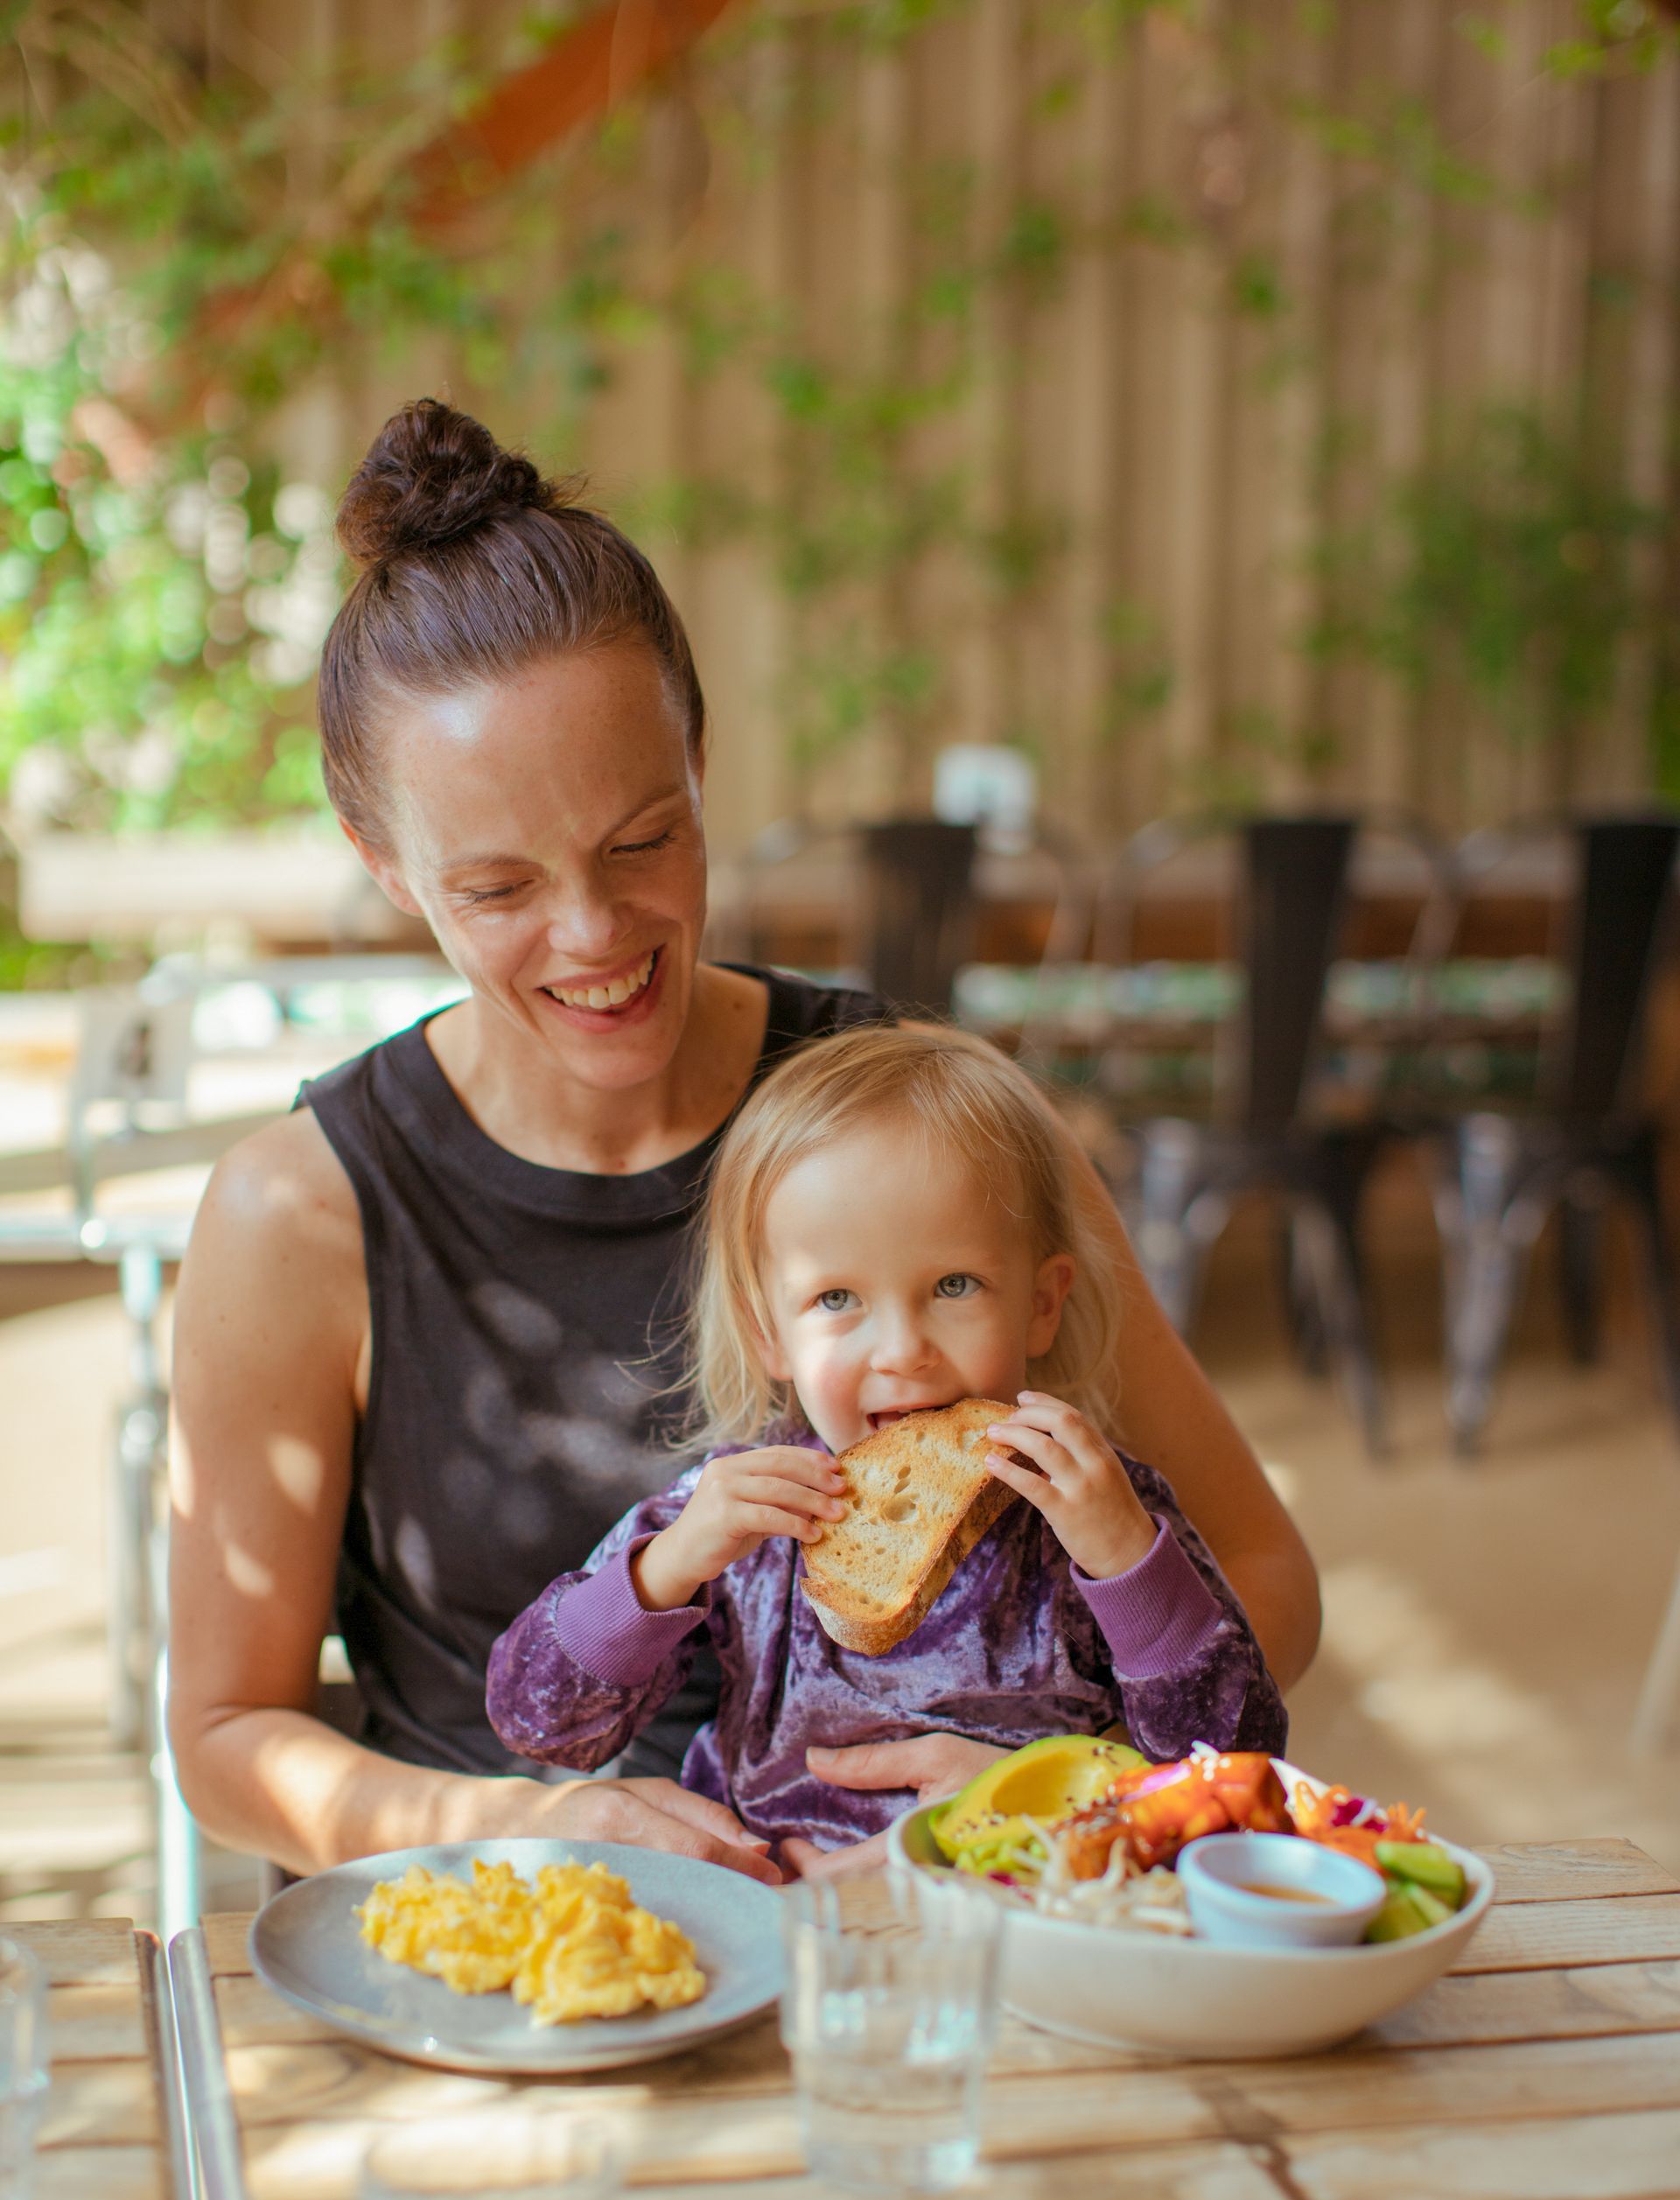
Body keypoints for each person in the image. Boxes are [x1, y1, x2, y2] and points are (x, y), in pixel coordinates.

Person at [167, 397, 1319, 1886]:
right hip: (507, 1953)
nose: (594, 936)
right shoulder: (301, 1211)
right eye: (500, 887)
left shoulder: (936, 1121)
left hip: (924, 1950)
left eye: (644, 839)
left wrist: (1066, 1785)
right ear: (381, 861)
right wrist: (525, 1819)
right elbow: (222, 1733)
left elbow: (1265, 1578)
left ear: (702, 758)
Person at [487, 1026, 1285, 1855]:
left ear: (1042, 1303)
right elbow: (539, 1724)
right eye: (837, 1298)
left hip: (1019, 1915)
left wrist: (1128, 1564)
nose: (903, 1350)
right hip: (775, 1918)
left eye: (953, 1285)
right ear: (768, 1333)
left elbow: (1239, 1771)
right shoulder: (738, 1512)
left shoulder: (1104, 1510)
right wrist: (666, 1567)